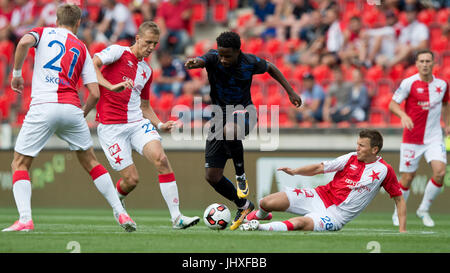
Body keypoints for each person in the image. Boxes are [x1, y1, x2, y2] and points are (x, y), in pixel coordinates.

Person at [3, 4, 136, 232]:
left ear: (56, 20)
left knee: (20, 162)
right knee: (91, 162)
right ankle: (121, 213)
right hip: (71, 107)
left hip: (43, 105)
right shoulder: (82, 47)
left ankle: (25, 219)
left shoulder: (43, 32)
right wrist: (80, 115)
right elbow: (94, 93)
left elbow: (24, 42)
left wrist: (16, 74)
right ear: (78, 24)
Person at [184, 31, 302, 230]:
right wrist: (196, 62)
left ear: (238, 51)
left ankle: (241, 176)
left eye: (227, 55)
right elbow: (203, 60)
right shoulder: (214, 58)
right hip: (218, 116)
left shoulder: (250, 62)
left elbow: (271, 68)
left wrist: (290, 91)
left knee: (230, 130)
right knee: (212, 175)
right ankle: (244, 205)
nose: (223, 59)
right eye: (221, 54)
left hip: (245, 112)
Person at [92, 21, 200, 230]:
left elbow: (144, 105)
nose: (151, 47)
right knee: (131, 180)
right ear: (138, 38)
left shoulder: (147, 71)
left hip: (136, 123)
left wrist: (160, 124)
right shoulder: (117, 51)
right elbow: (92, 64)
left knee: (161, 159)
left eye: (155, 44)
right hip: (111, 128)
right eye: (148, 42)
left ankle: (177, 218)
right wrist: (110, 86)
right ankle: (118, 203)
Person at [240, 129, 407, 233]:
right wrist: (295, 171)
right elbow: (320, 168)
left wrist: (402, 230)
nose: (357, 148)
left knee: (299, 223)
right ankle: (262, 215)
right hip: (319, 196)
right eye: (357, 144)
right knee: (266, 201)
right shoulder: (350, 157)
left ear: (374, 149)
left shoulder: (384, 170)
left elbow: (399, 199)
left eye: (362, 146)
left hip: (336, 216)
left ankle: (258, 227)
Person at [389, 49, 450, 227]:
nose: (425, 64)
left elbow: (446, 104)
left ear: (433, 64)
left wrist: (447, 124)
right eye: (421, 61)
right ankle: (397, 211)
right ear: (416, 64)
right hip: (411, 139)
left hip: (434, 137)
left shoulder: (442, 84)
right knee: (407, 178)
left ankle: (423, 209)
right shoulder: (409, 83)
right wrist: (403, 115)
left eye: (428, 61)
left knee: (440, 172)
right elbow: (393, 104)